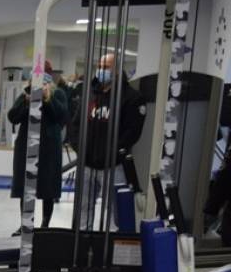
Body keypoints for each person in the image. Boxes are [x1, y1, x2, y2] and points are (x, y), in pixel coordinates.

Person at [70, 52, 147, 203]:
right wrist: (80, 149)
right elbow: (75, 125)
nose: (101, 70)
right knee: (83, 210)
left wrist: (111, 153)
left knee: (114, 212)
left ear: (116, 70)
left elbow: (132, 132)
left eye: (106, 67)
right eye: (99, 66)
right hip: (86, 165)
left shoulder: (132, 97)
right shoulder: (90, 94)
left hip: (114, 166)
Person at [10, 61, 70, 228]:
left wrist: (46, 99)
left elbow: (61, 116)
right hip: (27, 146)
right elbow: (12, 117)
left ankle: (45, 225)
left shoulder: (58, 93)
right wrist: (26, 103)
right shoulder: (26, 93)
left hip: (48, 149)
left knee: (47, 188)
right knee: (26, 188)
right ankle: (26, 224)